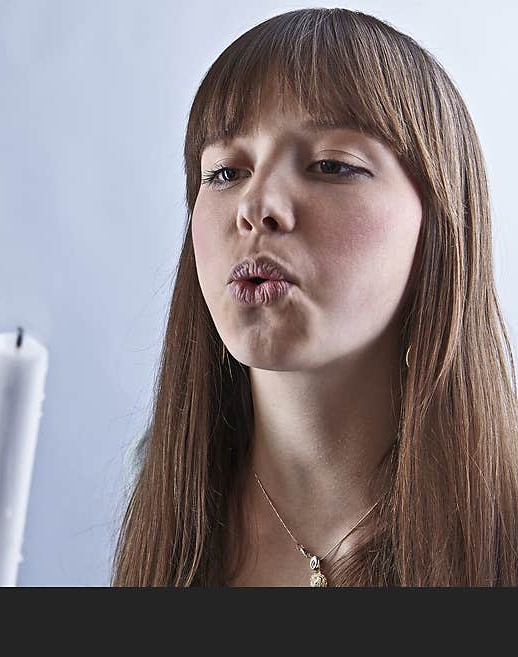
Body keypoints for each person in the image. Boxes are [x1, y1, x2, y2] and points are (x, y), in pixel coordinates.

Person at [111, 7, 518, 586]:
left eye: (331, 164)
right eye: (226, 172)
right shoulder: (161, 495)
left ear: (441, 224)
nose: (257, 207)